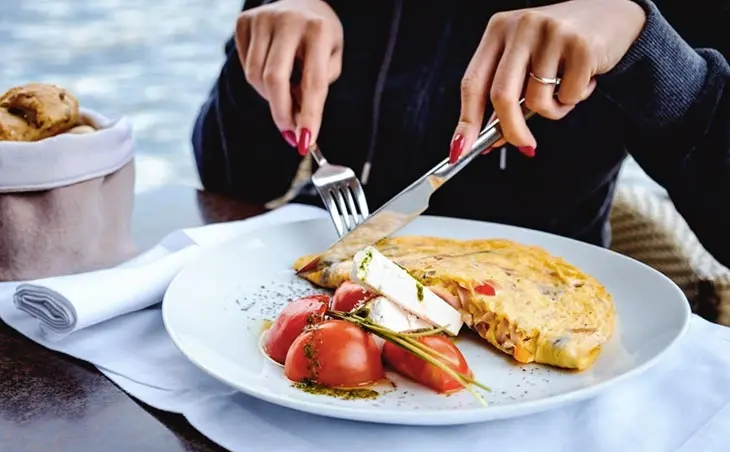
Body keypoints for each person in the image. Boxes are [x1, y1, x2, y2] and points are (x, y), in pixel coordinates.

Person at [192, 0, 730, 266]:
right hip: (313, 266)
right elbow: (232, 179)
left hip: (538, 324)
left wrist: (644, 44)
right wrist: (262, 58)